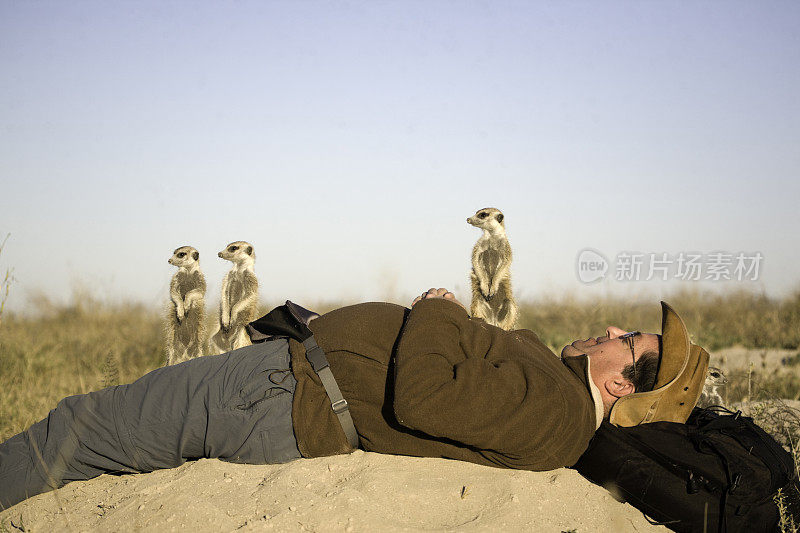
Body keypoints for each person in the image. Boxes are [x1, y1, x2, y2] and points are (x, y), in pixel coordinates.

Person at [0, 288, 708, 510]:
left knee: (79, 428)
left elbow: (427, 396)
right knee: (95, 436)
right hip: (292, 381)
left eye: (628, 341)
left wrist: (438, 307)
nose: (611, 329)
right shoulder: (555, 391)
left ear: (621, 384)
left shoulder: (558, 414)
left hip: (283, 397)